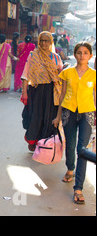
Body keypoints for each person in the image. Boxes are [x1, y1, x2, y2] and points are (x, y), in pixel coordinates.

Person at [52, 42, 96, 205]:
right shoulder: (67, 73)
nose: (82, 55)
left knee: (82, 149)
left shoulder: (94, 75)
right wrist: (57, 116)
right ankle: (70, 169)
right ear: (74, 54)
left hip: (87, 114)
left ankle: (78, 188)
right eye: (79, 52)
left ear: (90, 56)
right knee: (70, 145)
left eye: (85, 53)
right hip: (68, 112)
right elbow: (62, 95)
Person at [20, 31, 63, 151]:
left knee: (49, 117)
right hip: (36, 91)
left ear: (51, 42)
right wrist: (24, 93)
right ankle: (33, 140)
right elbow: (25, 75)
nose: (44, 43)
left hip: (51, 91)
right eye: (42, 40)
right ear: (39, 41)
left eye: (46, 40)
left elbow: (61, 75)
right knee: (35, 116)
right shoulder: (33, 55)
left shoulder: (56, 57)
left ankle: (45, 142)